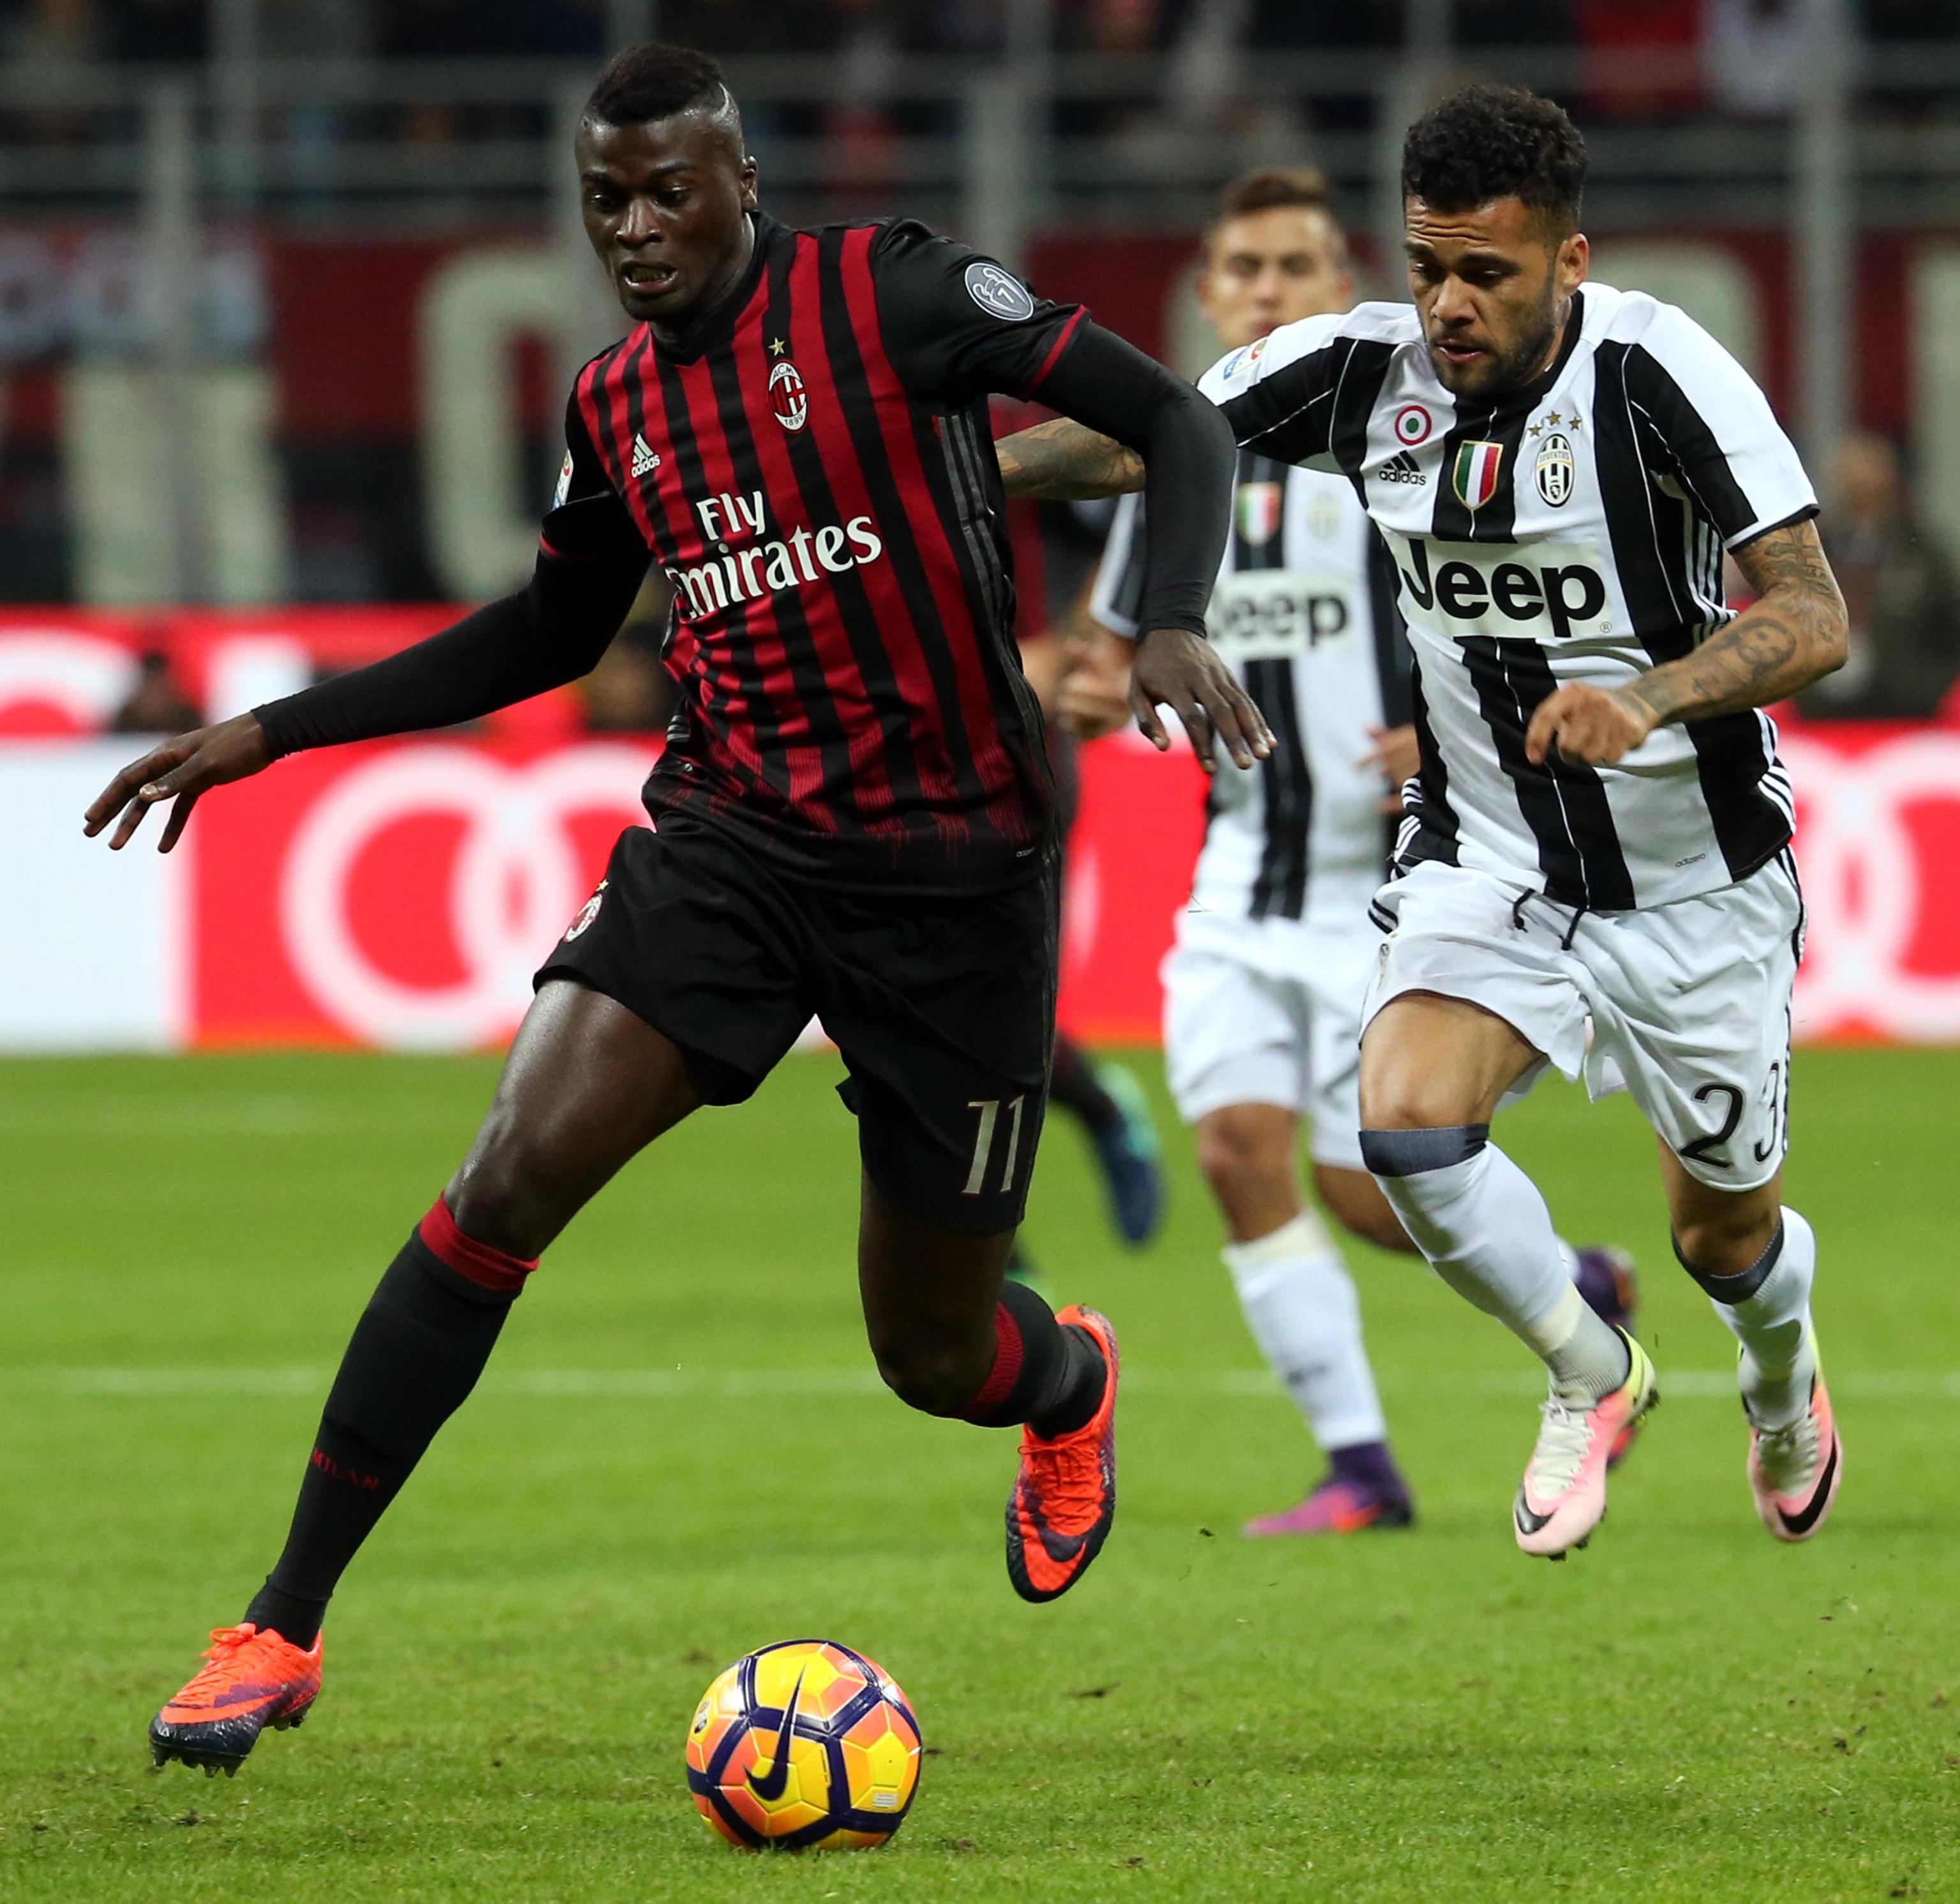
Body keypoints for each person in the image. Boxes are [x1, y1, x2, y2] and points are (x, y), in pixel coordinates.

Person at [89, 43, 1263, 1776]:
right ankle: (278, 1623)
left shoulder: (896, 293)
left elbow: (1176, 419)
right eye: (604, 203)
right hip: (732, 845)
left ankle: (1067, 1382)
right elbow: (547, 634)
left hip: (956, 883)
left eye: (665, 193)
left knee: (933, 1351)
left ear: (740, 185)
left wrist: (1167, 617)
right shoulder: (616, 404)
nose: (633, 229)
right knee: (503, 1180)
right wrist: (275, 728)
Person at [997, 84, 1850, 1562]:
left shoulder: (1657, 372)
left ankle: (1780, 1386)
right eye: (1426, 267)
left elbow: (1813, 614)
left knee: (1722, 1238)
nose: (1448, 304)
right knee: (1400, 1126)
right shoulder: (1358, 375)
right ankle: (1588, 1370)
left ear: (1567, 262)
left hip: (1691, 872)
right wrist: (938, 476)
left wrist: (1648, 699)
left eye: (1486, 274)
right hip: (1489, 849)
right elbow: (1143, 442)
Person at [1069, 165, 1637, 1539]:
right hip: (1234, 882)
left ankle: (1580, 1288)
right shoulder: (1167, 474)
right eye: (1243, 269)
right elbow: (1103, 654)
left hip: (1381, 890)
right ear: (1207, 294)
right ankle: (1363, 1471)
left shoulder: (1403, 449)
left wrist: (1444, 737)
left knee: (1372, 1193)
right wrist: (1080, 688)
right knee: (1235, 1150)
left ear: (1341, 289)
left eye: (1294, 268)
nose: (1266, 290)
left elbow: (1515, 614)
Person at [1799, 431, 1960, 720]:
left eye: (1867, 470)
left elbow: (1950, 627)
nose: (1858, 481)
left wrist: (1928, 689)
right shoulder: (1816, 548)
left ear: (1890, 477)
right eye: (1850, 472)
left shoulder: (1920, 552)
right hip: (1822, 715)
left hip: (1907, 715)